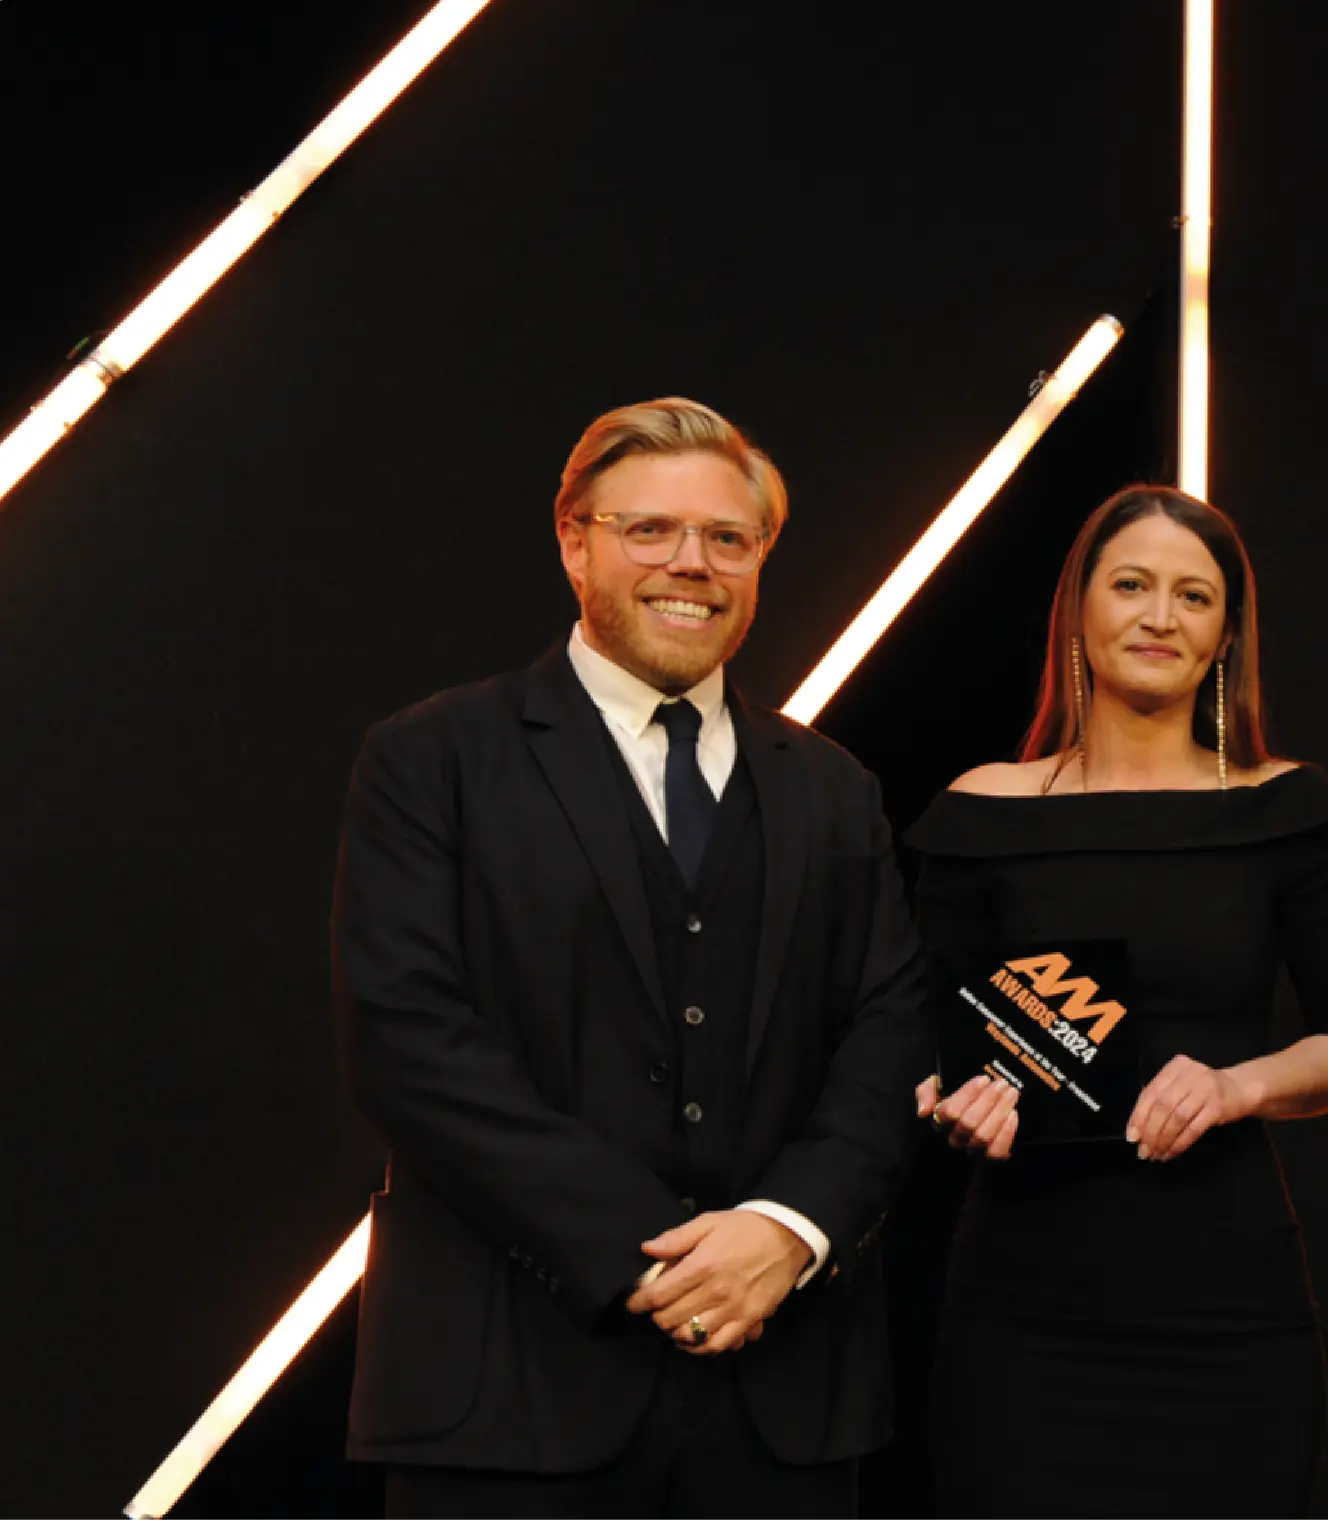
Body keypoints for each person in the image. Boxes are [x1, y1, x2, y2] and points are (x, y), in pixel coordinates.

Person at [333, 397, 932, 1518]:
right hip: (503, 1389)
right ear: (575, 543)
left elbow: (889, 1033)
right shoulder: (429, 759)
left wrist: (787, 1230)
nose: (690, 563)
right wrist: (652, 1256)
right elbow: (406, 1040)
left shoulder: (835, 788)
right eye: (649, 529)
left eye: (726, 537)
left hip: (783, 1394)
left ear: (759, 559)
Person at [904, 485, 1328, 1519]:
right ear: (1078, 608)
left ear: (1227, 635)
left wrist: (1237, 1086)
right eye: (1131, 585)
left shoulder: (1282, 807)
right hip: (1022, 1318)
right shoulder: (979, 811)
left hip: (1229, 1315)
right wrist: (948, 1097)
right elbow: (921, 1040)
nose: (1159, 616)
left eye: (1193, 596)